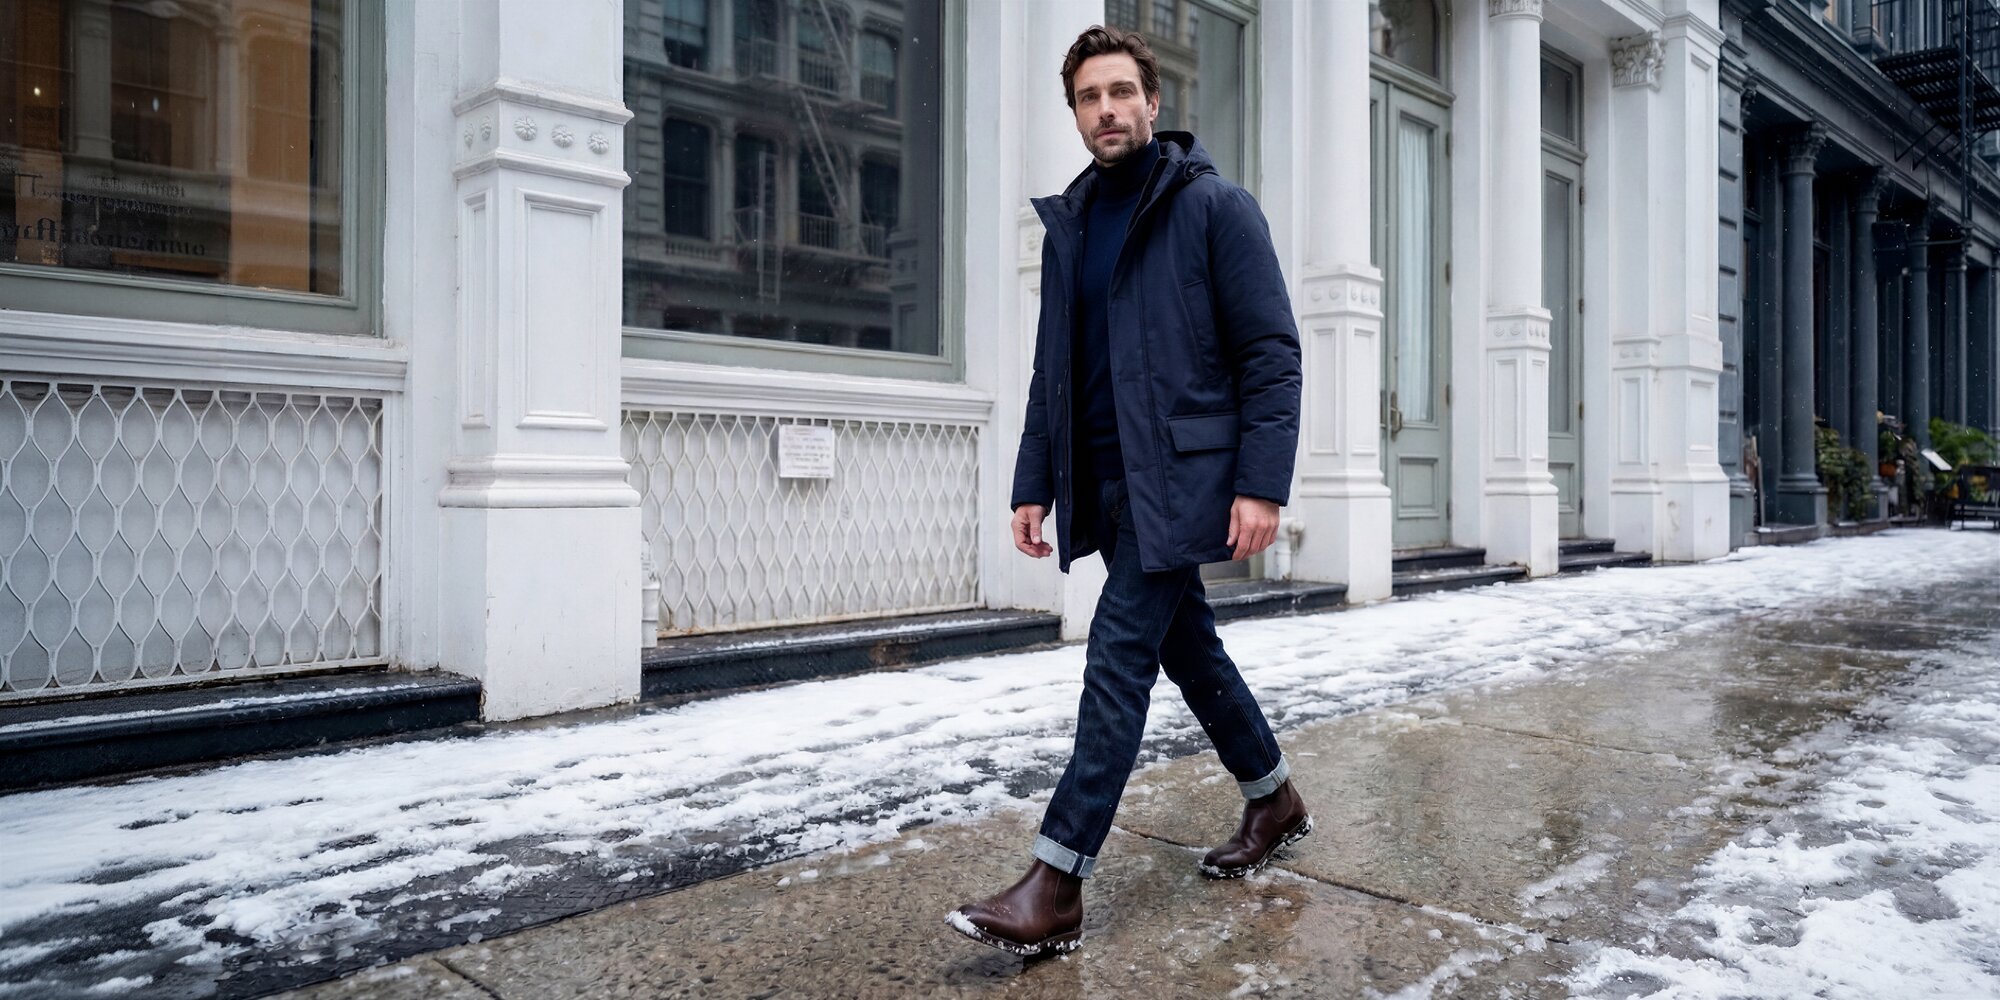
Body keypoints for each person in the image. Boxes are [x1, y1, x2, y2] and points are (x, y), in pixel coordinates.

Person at [944, 24, 1309, 958]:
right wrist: (1033, 481)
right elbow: (1052, 370)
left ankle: (1057, 879)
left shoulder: (1214, 207)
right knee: (1190, 650)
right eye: (1087, 97)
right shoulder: (1071, 223)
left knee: (1116, 661)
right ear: (1074, 113)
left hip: (1180, 481)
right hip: (1103, 483)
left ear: (1153, 101)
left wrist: (1261, 483)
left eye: (1120, 92)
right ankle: (1274, 799)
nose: (1105, 109)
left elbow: (1271, 353)